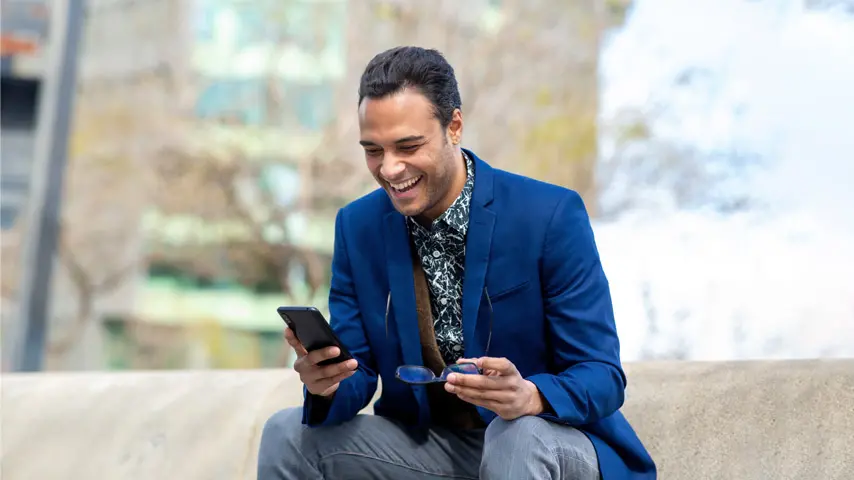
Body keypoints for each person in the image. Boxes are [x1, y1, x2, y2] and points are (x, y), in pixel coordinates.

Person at [257, 46, 656, 480]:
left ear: (454, 126)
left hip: (551, 445)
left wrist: (530, 395)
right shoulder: (357, 227)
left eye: (408, 146)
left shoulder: (549, 215)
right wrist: (327, 383)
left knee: (515, 437)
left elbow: (602, 375)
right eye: (374, 150)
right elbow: (360, 373)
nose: (390, 169)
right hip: (434, 449)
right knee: (285, 434)